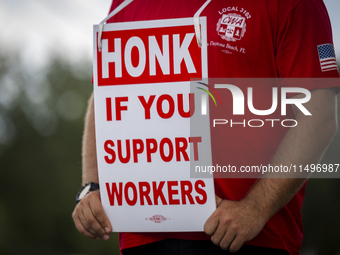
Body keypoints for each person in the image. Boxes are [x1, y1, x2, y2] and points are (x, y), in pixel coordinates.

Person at [72, 0, 340, 254]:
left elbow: (319, 116)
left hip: (247, 238)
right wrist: (91, 187)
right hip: (143, 236)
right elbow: (105, 98)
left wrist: (255, 208)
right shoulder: (126, 4)